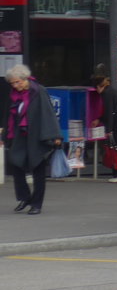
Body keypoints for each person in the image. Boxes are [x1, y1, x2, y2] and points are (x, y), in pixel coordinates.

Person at [1, 64, 62, 214]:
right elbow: (8, 115)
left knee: (38, 170)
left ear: (25, 79)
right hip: (19, 136)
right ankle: (25, 197)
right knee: (16, 164)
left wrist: (55, 135)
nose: (15, 85)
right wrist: (4, 134)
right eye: (13, 83)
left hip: (37, 136)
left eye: (18, 82)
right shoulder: (13, 94)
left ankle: (37, 204)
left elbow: (48, 113)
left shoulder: (38, 91)